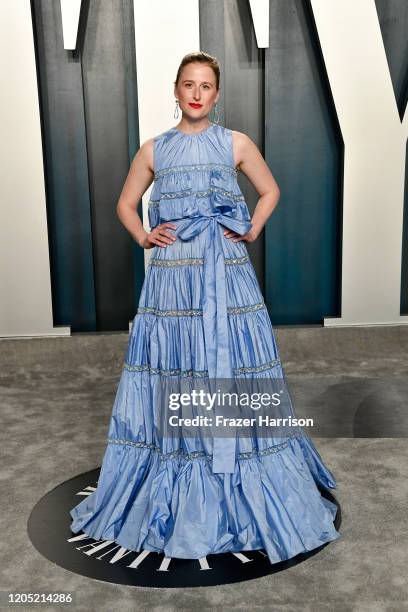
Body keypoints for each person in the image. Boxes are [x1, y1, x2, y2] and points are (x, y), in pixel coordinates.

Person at [70, 51, 341, 564]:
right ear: (175, 91)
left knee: (232, 367)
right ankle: (177, 467)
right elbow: (125, 204)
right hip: (173, 283)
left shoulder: (235, 143)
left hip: (226, 273)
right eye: (188, 85)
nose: (197, 93)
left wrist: (252, 227)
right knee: (176, 367)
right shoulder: (154, 150)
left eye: (206, 86)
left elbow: (270, 190)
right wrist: (146, 237)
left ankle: (239, 475)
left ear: (217, 95)